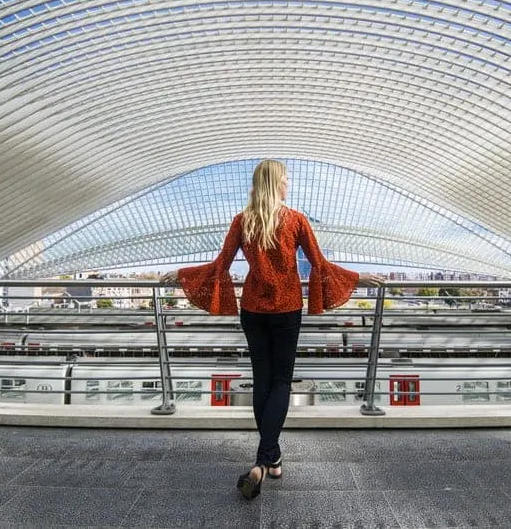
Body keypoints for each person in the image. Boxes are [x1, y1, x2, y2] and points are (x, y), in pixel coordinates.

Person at [161, 159, 383, 500]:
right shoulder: (295, 220)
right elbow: (321, 266)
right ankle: (263, 462)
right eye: (287, 178)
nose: (289, 183)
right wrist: (358, 277)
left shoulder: (242, 221)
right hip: (287, 310)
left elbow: (219, 266)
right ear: (278, 182)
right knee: (281, 382)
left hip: (253, 310)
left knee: (262, 381)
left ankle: (271, 458)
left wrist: (181, 273)